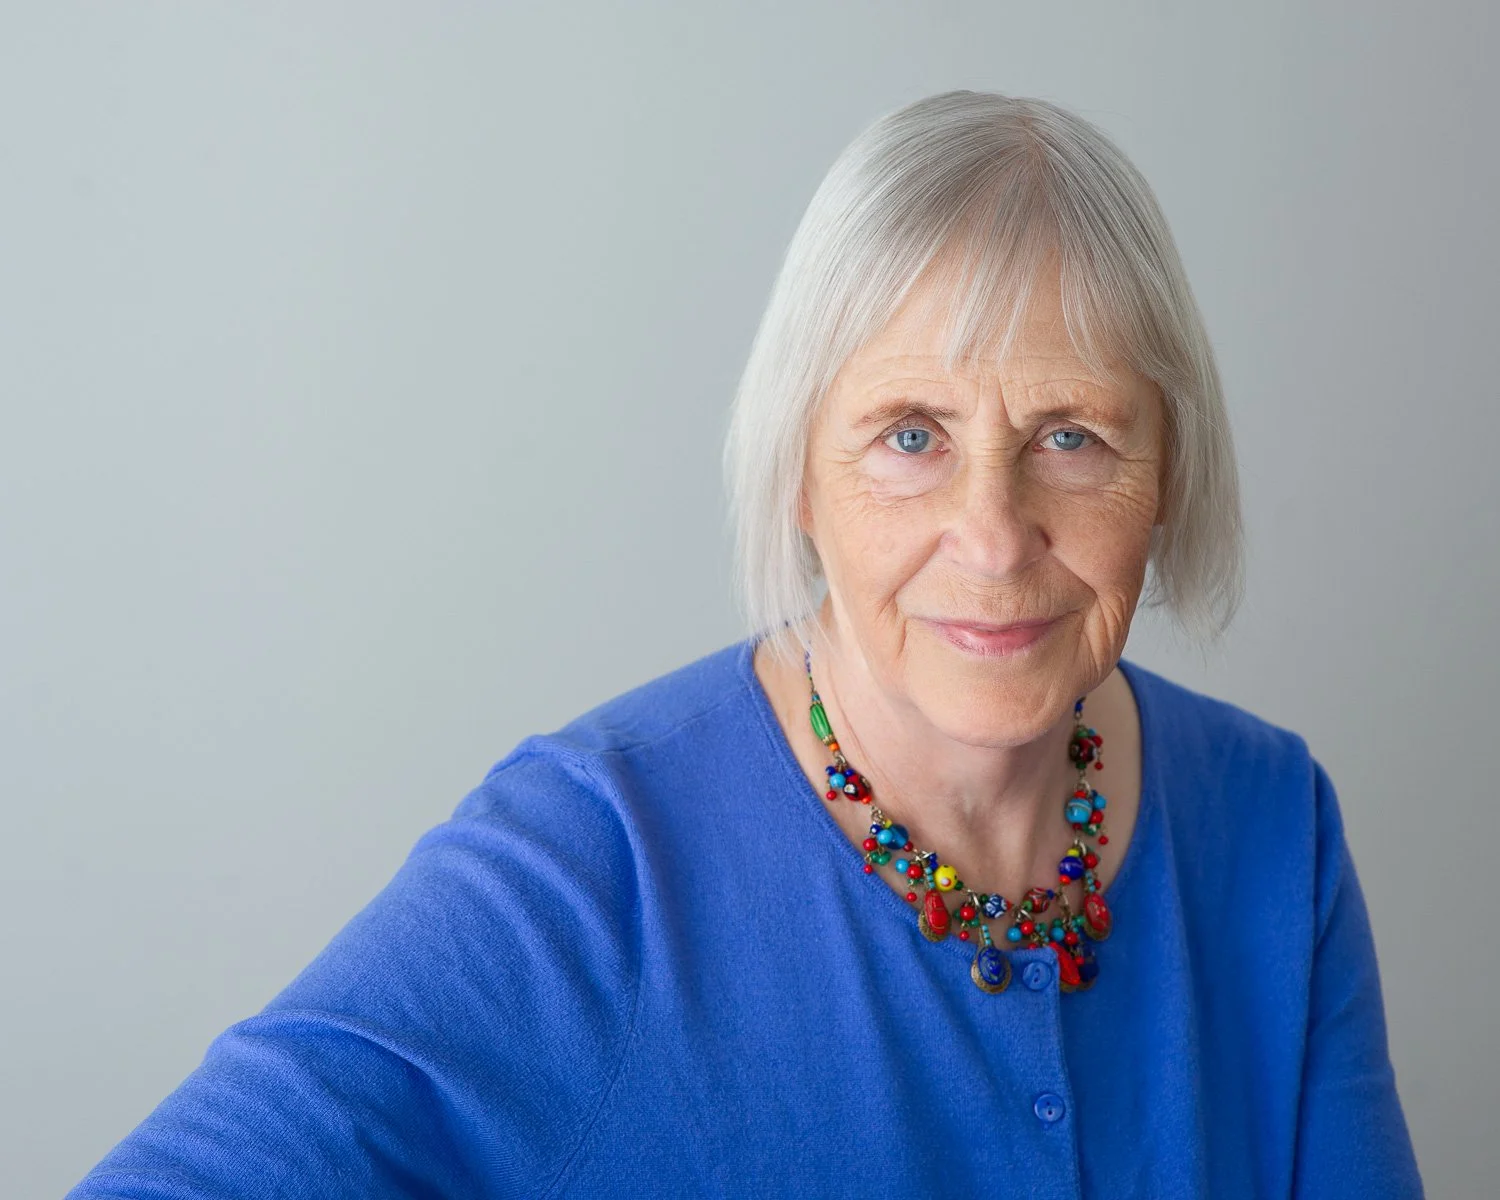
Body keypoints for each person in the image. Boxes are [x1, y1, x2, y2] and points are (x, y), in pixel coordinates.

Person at [68, 90, 1424, 1199]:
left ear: (1168, 474)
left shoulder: (1273, 824)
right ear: (798, 475)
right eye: (910, 438)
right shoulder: (595, 865)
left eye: (1072, 437)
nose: (995, 535)